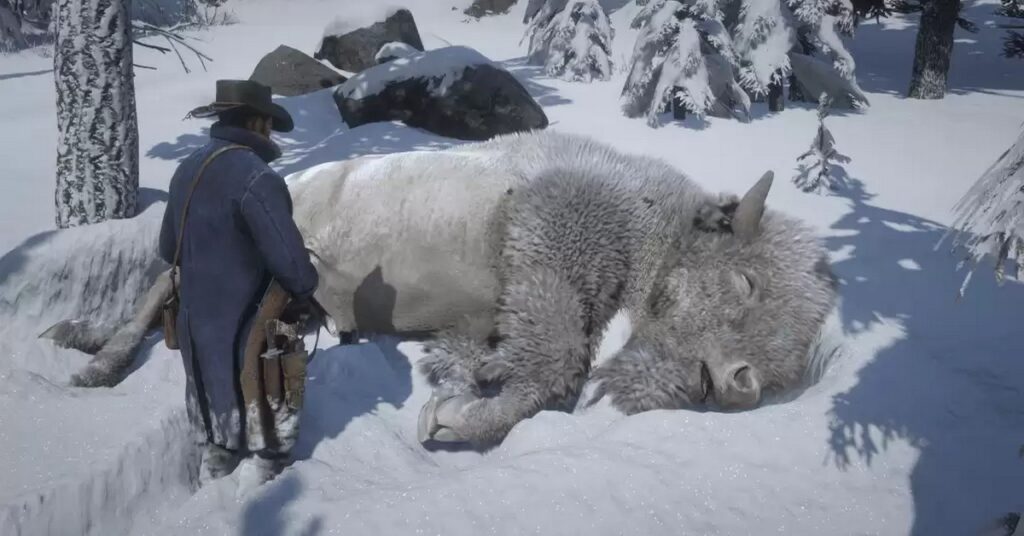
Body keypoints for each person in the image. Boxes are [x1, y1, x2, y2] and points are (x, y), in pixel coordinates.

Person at [159, 79, 319, 491]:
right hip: (246, 327)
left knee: (216, 419)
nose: (269, 132)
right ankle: (264, 477)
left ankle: (216, 464)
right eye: (267, 123)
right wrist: (305, 288)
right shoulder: (256, 176)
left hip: (197, 325)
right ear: (257, 122)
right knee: (261, 398)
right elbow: (293, 265)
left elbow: (166, 247)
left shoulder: (187, 170)